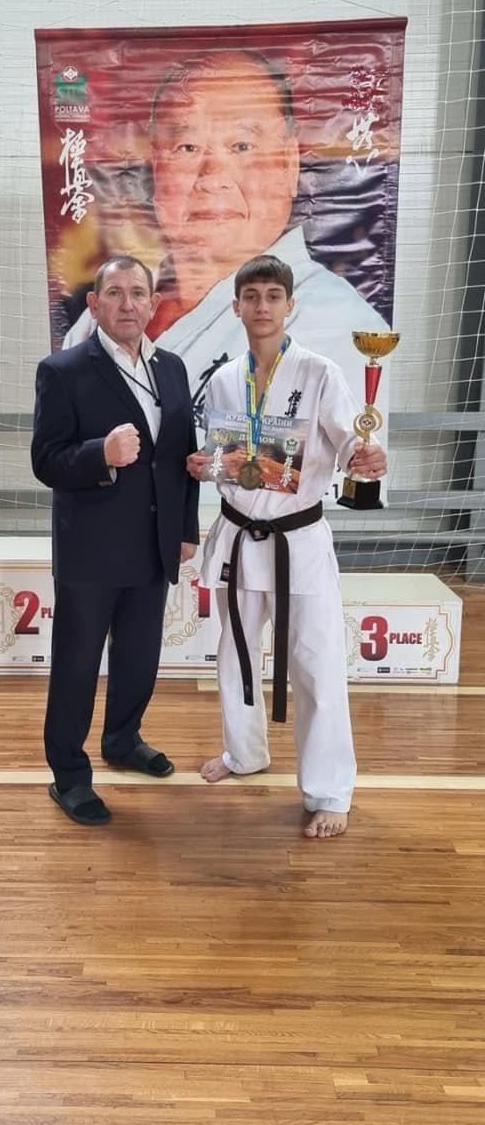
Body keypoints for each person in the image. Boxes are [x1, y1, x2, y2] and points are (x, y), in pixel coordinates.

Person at [63, 49, 391, 416]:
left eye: (241, 146)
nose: (212, 176)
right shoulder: (102, 314)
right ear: (155, 167)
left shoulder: (337, 322)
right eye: (187, 147)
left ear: (290, 164)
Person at [186, 253, 387, 840]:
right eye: (252, 297)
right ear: (236, 307)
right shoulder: (224, 379)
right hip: (236, 536)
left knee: (317, 666)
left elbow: (351, 442)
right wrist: (202, 465)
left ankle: (329, 791)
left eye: (273, 296)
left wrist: (366, 458)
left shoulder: (320, 372)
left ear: (290, 305)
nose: (262, 307)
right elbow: (224, 457)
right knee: (236, 657)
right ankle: (244, 753)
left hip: (297, 540)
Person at [32, 254, 199, 825]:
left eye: (138, 293)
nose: (128, 304)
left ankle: (122, 740)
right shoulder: (64, 370)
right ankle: (68, 776)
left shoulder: (172, 367)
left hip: (154, 543)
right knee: (76, 666)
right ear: (94, 303)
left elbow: (181, 456)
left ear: (153, 303)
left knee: (139, 658)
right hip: (91, 550)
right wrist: (99, 453)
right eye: (115, 293)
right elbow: (45, 460)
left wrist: (184, 528)